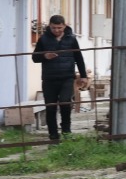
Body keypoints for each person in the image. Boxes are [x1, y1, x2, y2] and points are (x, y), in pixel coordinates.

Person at [31, 15, 87, 144]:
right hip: (49, 78)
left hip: (67, 77)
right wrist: (45, 56)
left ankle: (66, 131)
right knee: (50, 107)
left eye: (59, 28)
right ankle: (53, 135)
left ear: (65, 26)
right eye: (53, 28)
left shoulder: (71, 39)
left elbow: (79, 57)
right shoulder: (43, 39)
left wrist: (83, 75)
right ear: (49, 26)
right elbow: (35, 57)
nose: (56, 30)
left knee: (65, 102)